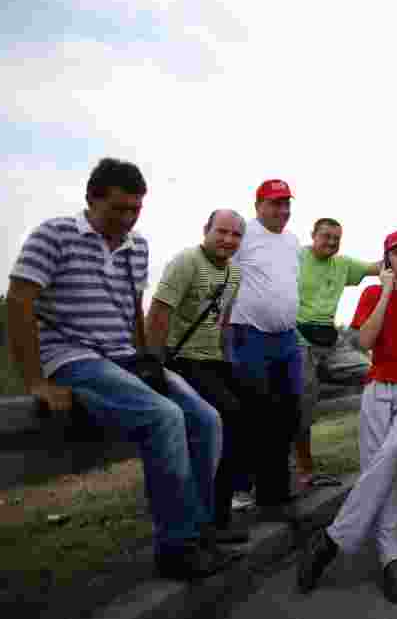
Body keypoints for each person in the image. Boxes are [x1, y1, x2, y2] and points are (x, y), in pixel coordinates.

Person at [6, 159, 232, 580]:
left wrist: (147, 361)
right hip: (72, 356)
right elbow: (19, 302)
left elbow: (133, 311)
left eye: (135, 210)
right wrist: (35, 380)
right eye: (118, 209)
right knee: (164, 417)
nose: (127, 219)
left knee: (206, 419)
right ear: (91, 200)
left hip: (124, 356)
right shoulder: (53, 236)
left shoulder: (137, 246)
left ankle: (202, 532)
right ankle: (176, 548)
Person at [297, 230, 397, 605]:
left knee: (389, 456)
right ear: (387, 259)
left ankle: (332, 539)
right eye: (396, 253)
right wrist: (386, 292)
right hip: (378, 388)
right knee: (385, 472)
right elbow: (364, 343)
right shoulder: (372, 295)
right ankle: (392, 559)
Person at [294, 218, 397, 493]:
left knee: (373, 373)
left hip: (331, 343)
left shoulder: (343, 264)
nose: (332, 242)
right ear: (313, 236)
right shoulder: (296, 257)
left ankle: (389, 440)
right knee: (304, 401)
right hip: (300, 340)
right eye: (326, 237)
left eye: (337, 238)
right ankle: (304, 469)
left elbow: (384, 264)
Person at [145, 209, 252, 545]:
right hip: (181, 360)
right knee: (227, 417)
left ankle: (221, 511)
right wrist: (153, 366)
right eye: (221, 232)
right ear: (206, 230)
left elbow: (222, 323)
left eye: (236, 235)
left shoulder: (234, 273)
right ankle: (210, 519)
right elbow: (159, 312)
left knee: (254, 409)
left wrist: (227, 362)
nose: (228, 240)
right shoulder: (186, 262)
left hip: (213, 361)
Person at [226, 179, 306, 520]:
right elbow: (222, 272)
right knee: (252, 411)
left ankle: (274, 492)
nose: (283, 210)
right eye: (275, 203)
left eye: (287, 203)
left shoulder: (292, 241)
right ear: (258, 205)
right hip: (250, 334)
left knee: (288, 412)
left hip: (287, 337)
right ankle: (240, 488)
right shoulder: (244, 235)